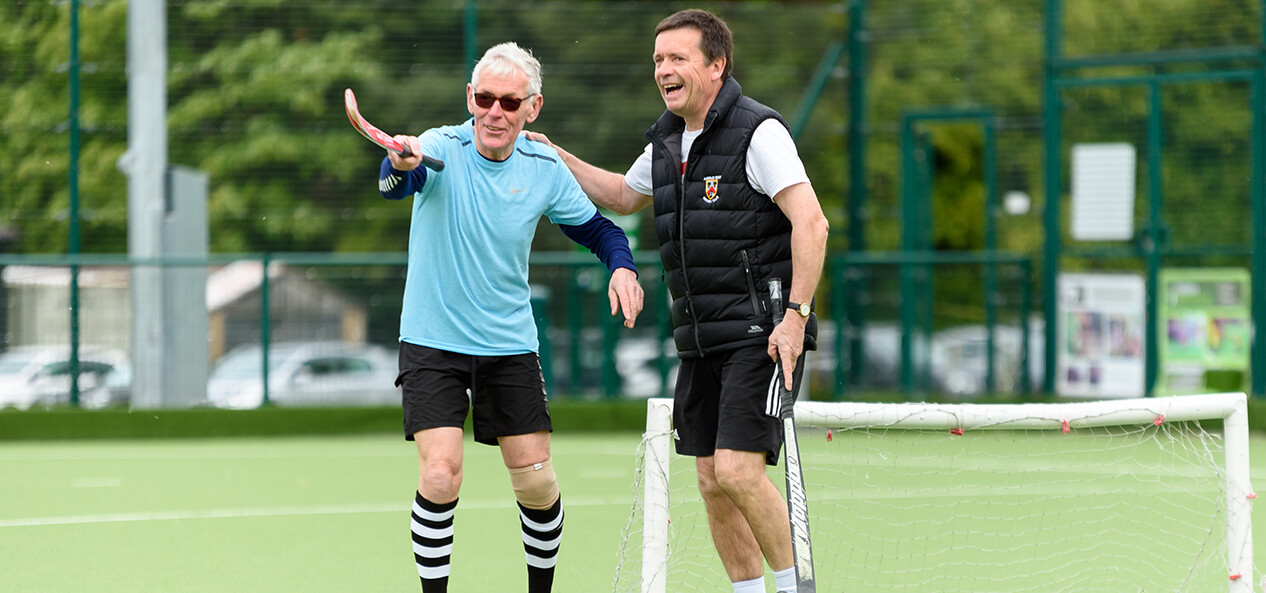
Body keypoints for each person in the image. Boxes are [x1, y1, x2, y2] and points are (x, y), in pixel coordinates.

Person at [526, 9, 829, 593]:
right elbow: (622, 195)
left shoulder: (758, 132)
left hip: (761, 336)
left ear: (716, 66)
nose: (663, 69)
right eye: (658, 59)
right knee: (712, 482)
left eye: (677, 58)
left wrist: (795, 318)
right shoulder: (667, 140)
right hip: (699, 340)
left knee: (739, 471)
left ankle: (799, 588)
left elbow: (812, 224)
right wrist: (554, 153)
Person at [377, 41, 645, 593]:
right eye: (484, 98)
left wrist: (623, 268)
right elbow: (396, 182)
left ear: (532, 108)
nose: (494, 112)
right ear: (469, 98)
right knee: (440, 474)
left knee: (537, 484)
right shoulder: (439, 147)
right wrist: (397, 163)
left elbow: (600, 230)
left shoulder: (543, 167)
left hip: (508, 344)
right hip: (432, 340)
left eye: (508, 102)